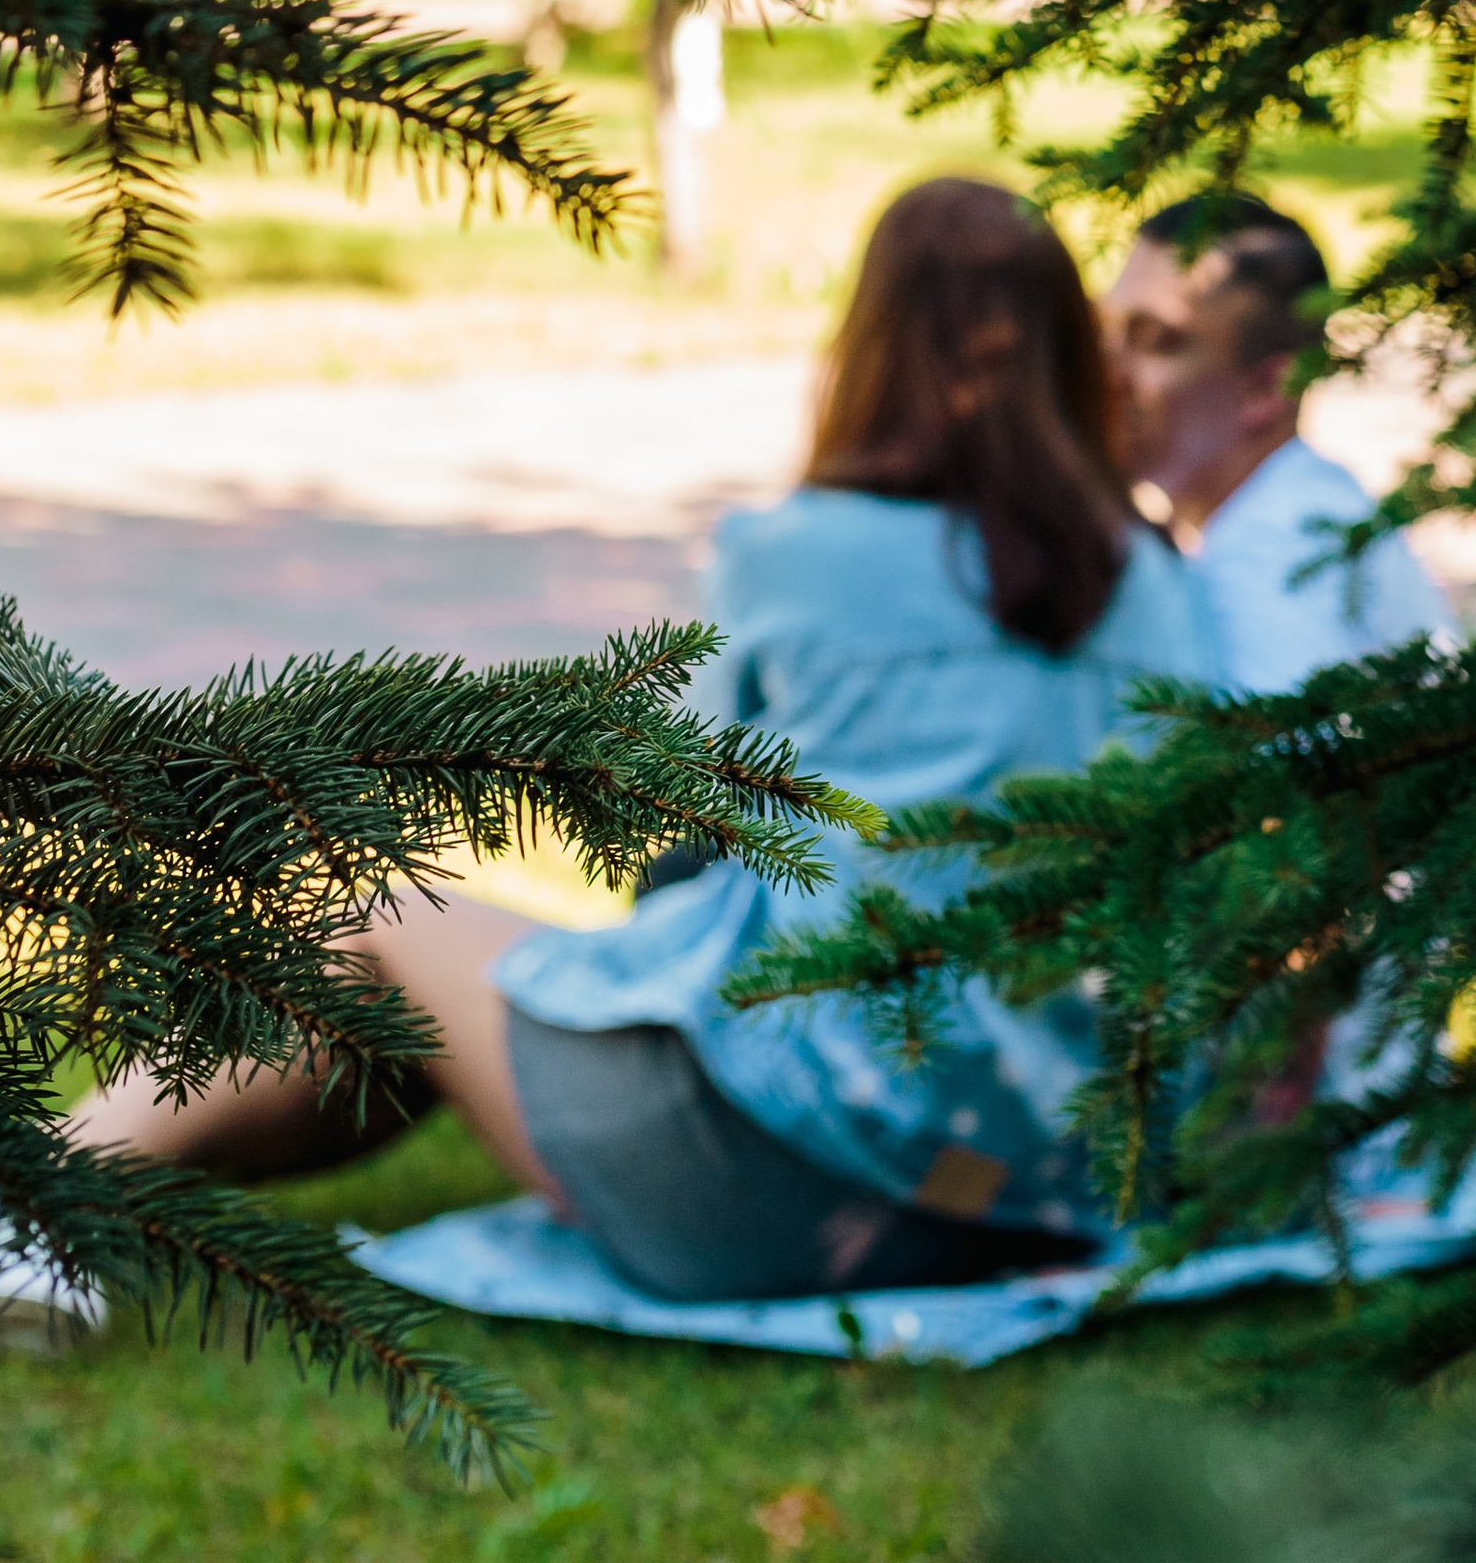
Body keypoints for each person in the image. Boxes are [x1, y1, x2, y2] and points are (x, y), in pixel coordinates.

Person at [68, 177, 1202, 1299]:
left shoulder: (795, 553)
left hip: (778, 1175)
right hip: (1051, 1187)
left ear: (873, 347)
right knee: (442, 1015)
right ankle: (106, 1190)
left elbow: (682, 837)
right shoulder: (1154, 584)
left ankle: (46, 1194)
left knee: (384, 927)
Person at [1101, 194, 1452, 692]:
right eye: (1105, 334)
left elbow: (1287, 739)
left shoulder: (1272, 554)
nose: (1106, 373)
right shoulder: (1300, 508)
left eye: (1156, 341)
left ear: (1266, 387)